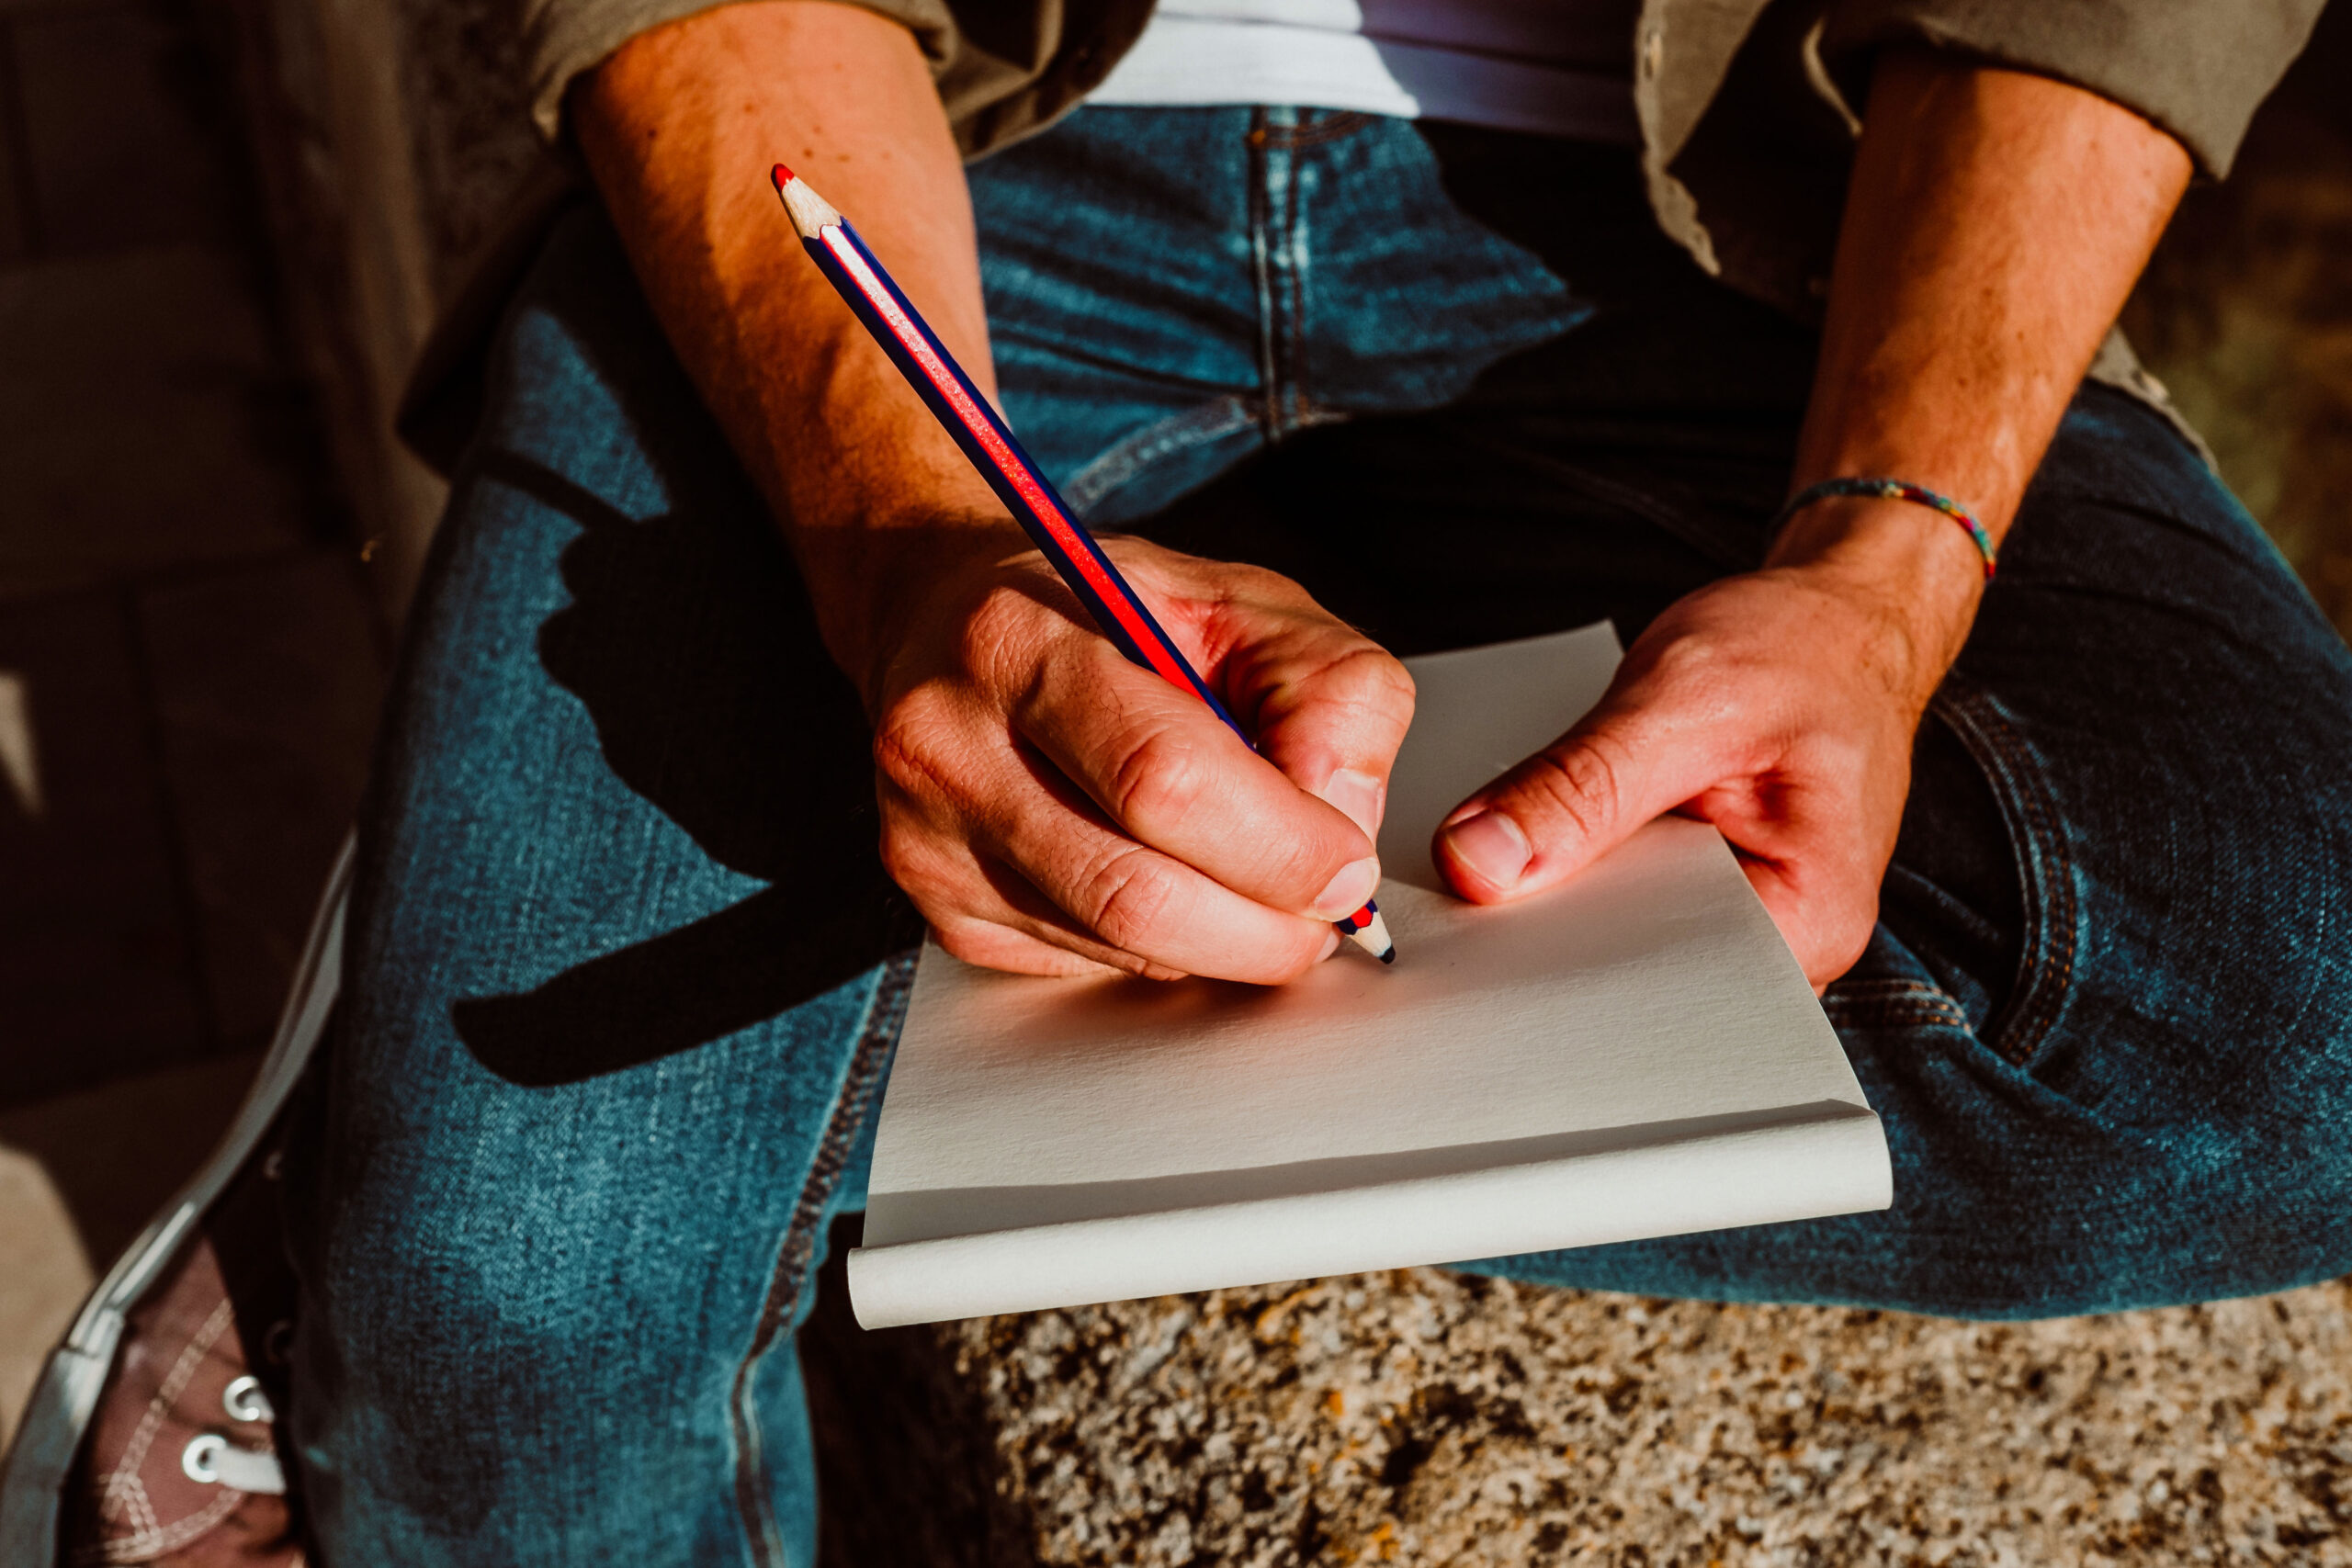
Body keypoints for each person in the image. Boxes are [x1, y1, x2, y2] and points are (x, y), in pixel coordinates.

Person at [281, 0, 2352, 1561]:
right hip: (923, 151)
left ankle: (587, 1073)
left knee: (2309, 1023)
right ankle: (437, 1084)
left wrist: (1877, 568)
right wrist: (906, 541)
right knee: (497, 1289)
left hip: (1751, 210)